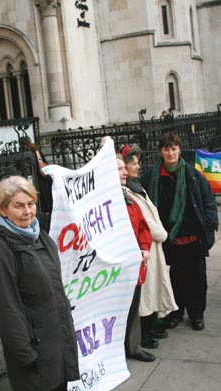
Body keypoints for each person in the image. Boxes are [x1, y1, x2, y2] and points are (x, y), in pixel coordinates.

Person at [0, 175, 79, 391]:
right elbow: (4, 307)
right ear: (2, 209)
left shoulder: (38, 235)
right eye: (19, 206)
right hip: (35, 352)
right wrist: (26, 355)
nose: (28, 211)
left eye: (31, 204)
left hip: (57, 343)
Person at [140, 132, 218, 331]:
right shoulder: (151, 177)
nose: (171, 153)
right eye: (166, 149)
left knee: (197, 280)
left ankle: (196, 314)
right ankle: (175, 312)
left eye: (174, 148)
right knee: (174, 279)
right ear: (161, 151)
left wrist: (209, 228)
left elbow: (208, 202)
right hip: (168, 241)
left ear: (179, 150)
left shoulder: (192, 174)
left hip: (193, 239)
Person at [120, 144, 178, 349]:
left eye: (137, 163)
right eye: (133, 163)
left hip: (152, 246)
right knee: (145, 293)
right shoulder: (125, 191)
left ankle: (151, 327)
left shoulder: (136, 186)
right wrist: (162, 234)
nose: (138, 167)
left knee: (153, 288)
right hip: (144, 246)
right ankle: (144, 333)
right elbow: (143, 220)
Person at [117, 155, 155, 362]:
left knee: (132, 308)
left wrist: (144, 247)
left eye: (124, 168)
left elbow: (142, 227)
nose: (125, 172)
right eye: (119, 169)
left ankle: (132, 347)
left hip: (132, 265)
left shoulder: (129, 199)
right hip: (112, 269)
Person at [21, 137, 53, 214]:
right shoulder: (36, 152)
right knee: (44, 202)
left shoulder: (24, 154)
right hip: (41, 181)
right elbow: (43, 164)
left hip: (34, 181)